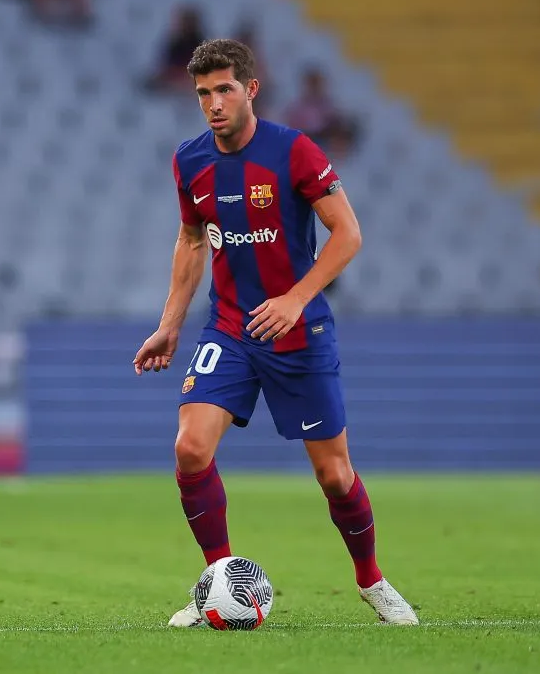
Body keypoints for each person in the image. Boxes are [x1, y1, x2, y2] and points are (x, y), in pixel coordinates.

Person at [132, 39, 418, 627]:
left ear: (251, 88)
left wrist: (295, 298)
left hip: (298, 330)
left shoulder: (294, 152)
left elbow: (347, 234)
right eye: (204, 93)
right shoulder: (190, 161)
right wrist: (169, 325)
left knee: (335, 475)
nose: (214, 103)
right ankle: (218, 582)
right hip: (230, 329)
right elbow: (191, 240)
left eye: (225, 90)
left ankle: (372, 581)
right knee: (190, 448)